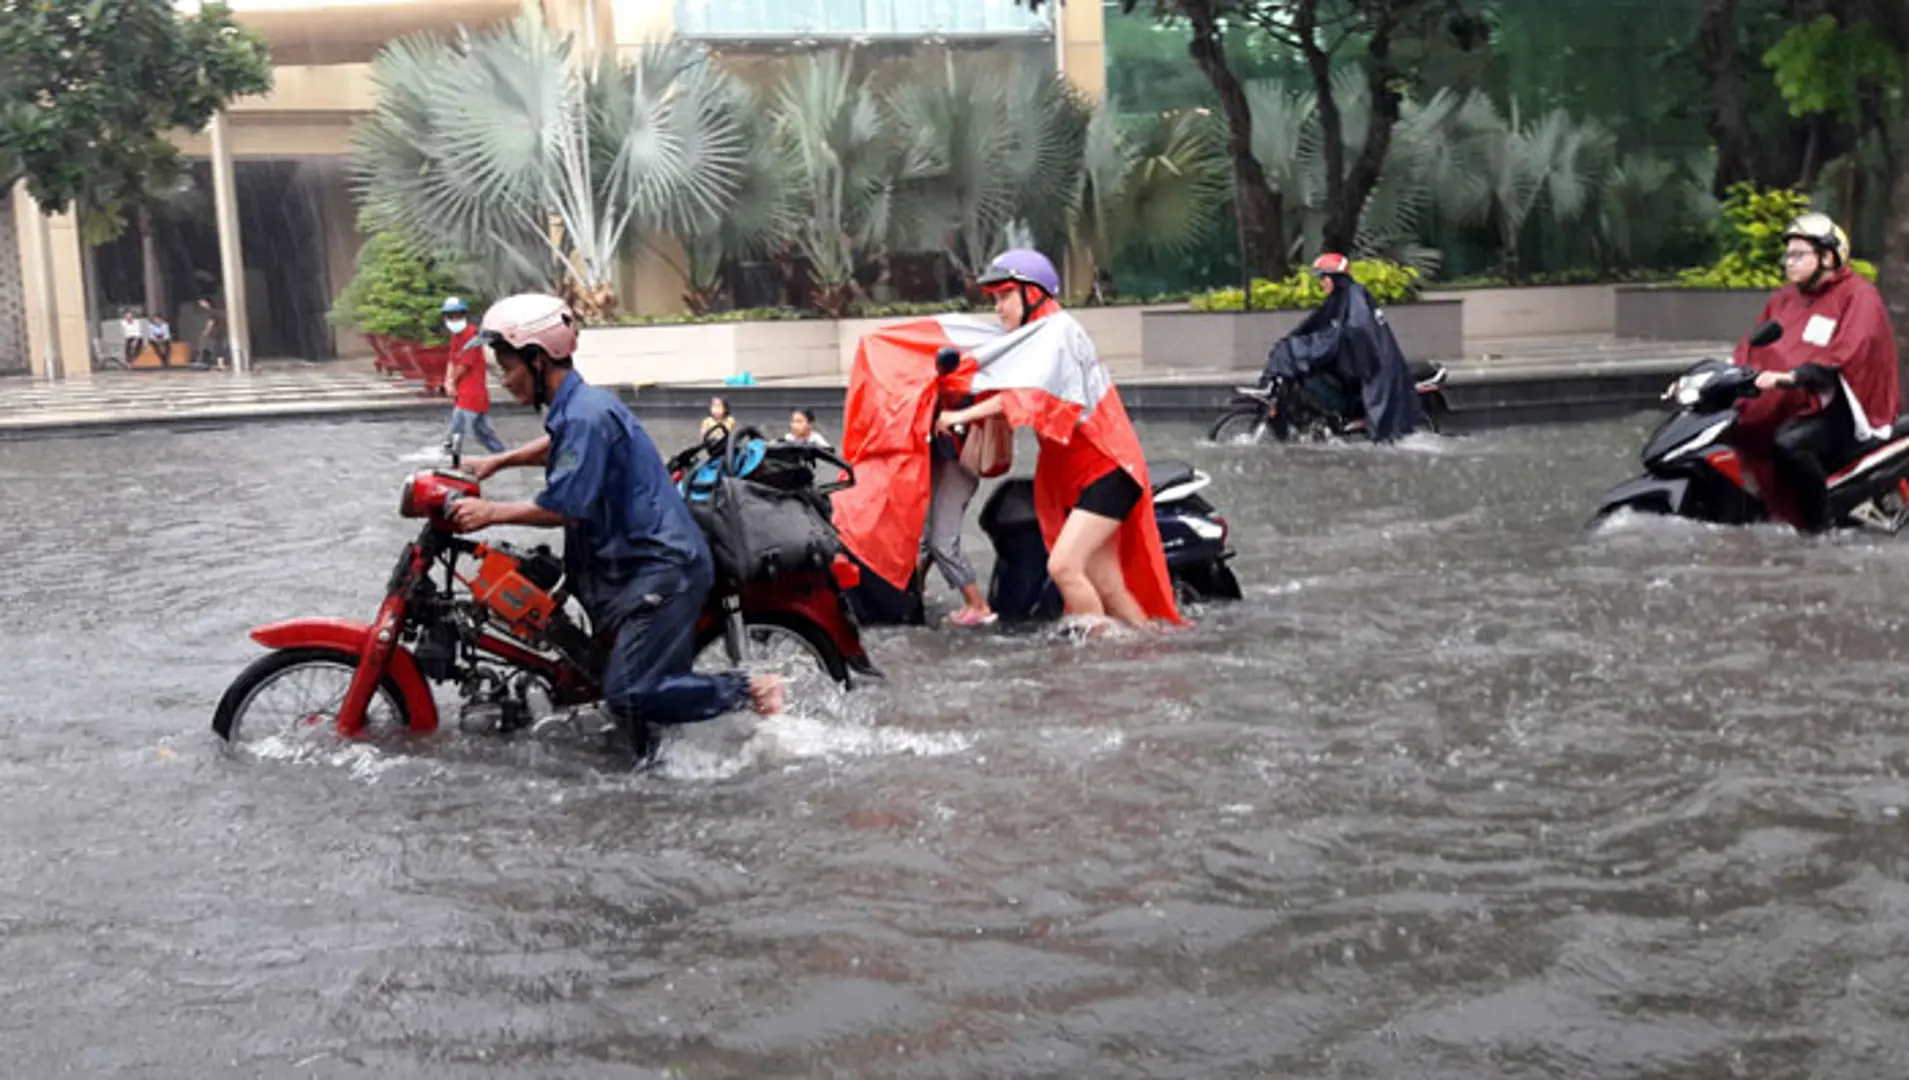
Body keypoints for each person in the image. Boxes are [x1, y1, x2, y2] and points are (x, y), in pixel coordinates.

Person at [445, 293, 783, 757]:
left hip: (661, 569)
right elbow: (560, 445)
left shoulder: (585, 413)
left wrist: (491, 512)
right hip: (633, 566)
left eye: (507, 365)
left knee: (629, 692)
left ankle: (750, 690)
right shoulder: (577, 407)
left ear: (538, 360)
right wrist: (499, 462)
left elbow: (567, 504)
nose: (503, 378)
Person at [933, 248, 1178, 629]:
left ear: (1034, 294)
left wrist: (960, 415)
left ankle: (1097, 655)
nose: (998, 308)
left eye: (1006, 296)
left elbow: (1028, 396)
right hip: (1093, 471)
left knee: (1064, 567)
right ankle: (1148, 651)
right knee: (1107, 583)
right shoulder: (1041, 335)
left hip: (1106, 467)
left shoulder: (1057, 333)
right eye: (995, 299)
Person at [1730, 212, 1900, 533]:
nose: (1788, 263)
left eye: (1798, 255)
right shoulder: (1784, 299)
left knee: (1788, 444)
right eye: (1787, 255)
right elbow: (1752, 344)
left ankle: (1821, 528)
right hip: (1790, 399)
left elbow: (1850, 351)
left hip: (1842, 406)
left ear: (1827, 257)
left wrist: (1793, 376)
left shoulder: (1858, 296)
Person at [1256, 253, 1425, 441]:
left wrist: (1322, 347)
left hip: (1377, 368)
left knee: (1383, 430)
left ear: (1336, 278)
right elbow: (1317, 324)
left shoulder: (1355, 296)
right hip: (1362, 361)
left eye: (1324, 278)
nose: (1321, 284)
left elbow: (1355, 329)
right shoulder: (1340, 298)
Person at [925, 399, 995, 626]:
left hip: (956, 464)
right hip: (948, 462)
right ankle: (913, 592)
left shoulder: (960, 382)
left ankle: (977, 605)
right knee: (925, 540)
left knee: (941, 542)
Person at [440, 297, 505, 454]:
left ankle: (449, 455)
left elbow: (464, 365)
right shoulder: (457, 336)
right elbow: (452, 360)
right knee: (481, 432)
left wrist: (451, 382)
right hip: (466, 393)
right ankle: (503, 455)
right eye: (450, 316)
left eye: (457, 315)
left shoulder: (472, 336)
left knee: (458, 429)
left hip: (472, 393)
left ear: (464, 315)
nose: (453, 319)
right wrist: (448, 381)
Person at [195, 297, 228, 372]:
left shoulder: (211, 312)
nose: (201, 305)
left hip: (215, 333)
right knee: (218, 348)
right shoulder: (213, 311)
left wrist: (206, 331)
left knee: (216, 348)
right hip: (218, 332)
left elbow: (211, 322)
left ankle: (220, 365)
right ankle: (220, 365)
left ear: (207, 303)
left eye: (202, 303)